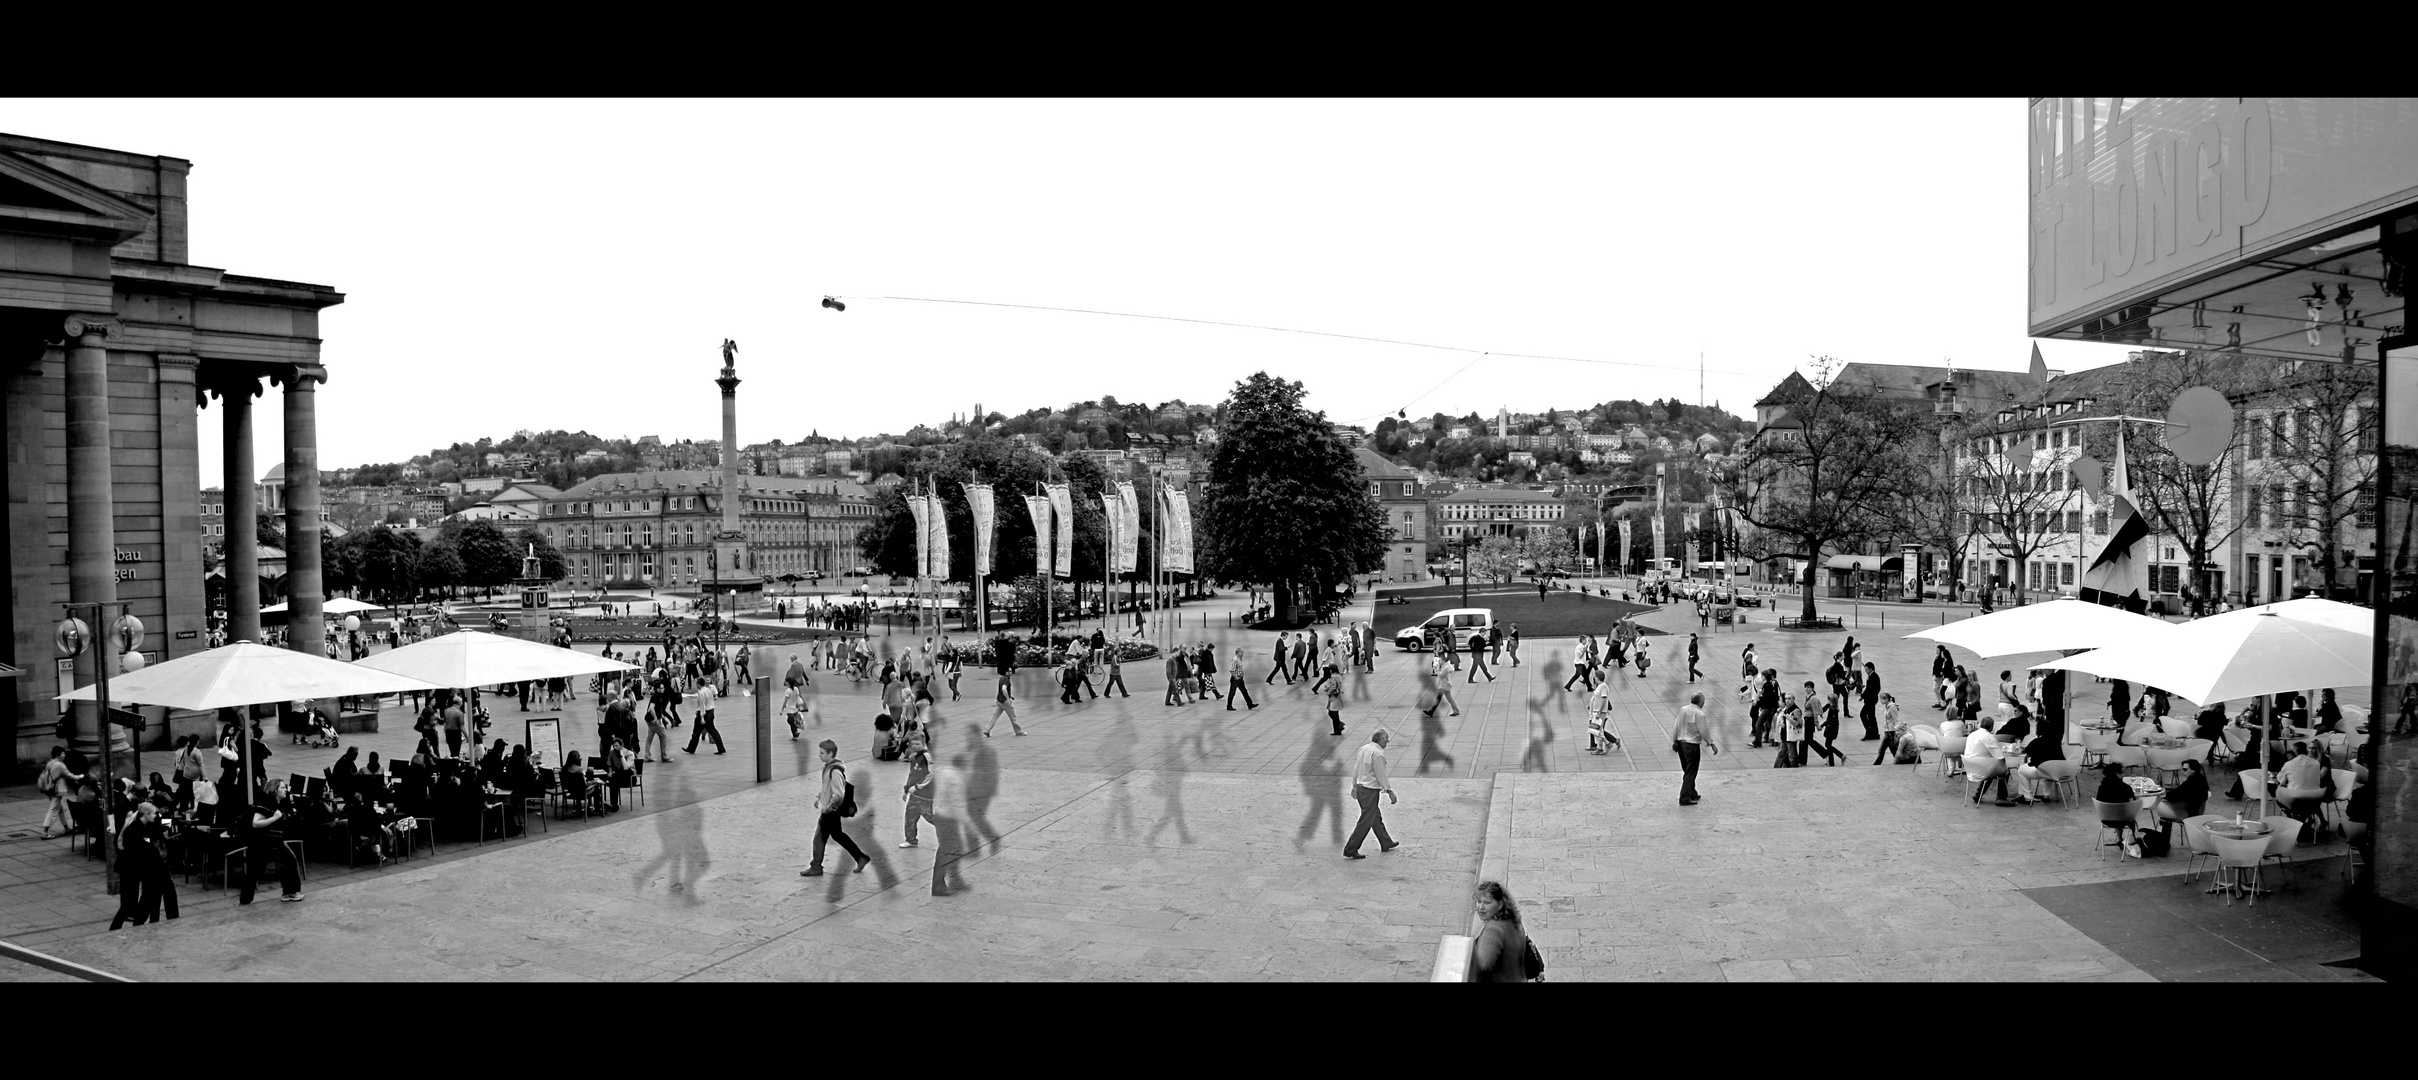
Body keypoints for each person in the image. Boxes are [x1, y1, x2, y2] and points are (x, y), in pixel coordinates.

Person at [801, 739, 871, 877]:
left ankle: (816, 867)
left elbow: (838, 795)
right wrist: (820, 797)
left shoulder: (835, 771)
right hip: (831, 810)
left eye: (822, 753)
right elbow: (829, 789)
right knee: (838, 835)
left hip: (830, 812)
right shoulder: (829, 767)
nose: (819, 755)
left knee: (819, 839)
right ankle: (860, 857)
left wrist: (828, 807)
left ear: (830, 753)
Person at [236, 781, 304, 904]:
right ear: (275, 790)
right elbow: (256, 823)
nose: (285, 790)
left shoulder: (277, 803)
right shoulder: (266, 802)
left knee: (288, 860)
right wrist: (275, 817)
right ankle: (287, 893)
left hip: (273, 840)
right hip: (264, 841)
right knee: (256, 870)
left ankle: (288, 892)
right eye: (282, 788)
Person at [1341, 728, 1399, 859]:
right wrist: (1390, 791)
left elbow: (1356, 768)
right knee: (1366, 821)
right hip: (1370, 791)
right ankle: (1351, 848)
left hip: (1362, 789)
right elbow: (1381, 774)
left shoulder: (1364, 749)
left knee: (1374, 817)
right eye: (1386, 738)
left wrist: (1354, 785)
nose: (1388, 741)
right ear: (1381, 739)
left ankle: (1386, 842)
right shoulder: (1378, 754)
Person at [1468, 880, 1534, 983]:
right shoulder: (1514, 922)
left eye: (1487, 902)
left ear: (1500, 904)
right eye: (1479, 901)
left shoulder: (1494, 929)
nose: (1480, 907)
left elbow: (1482, 965)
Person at [1674, 691, 1718, 805]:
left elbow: (1676, 725)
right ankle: (1684, 797)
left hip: (1680, 743)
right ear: (1701, 701)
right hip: (1691, 745)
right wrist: (1711, 743)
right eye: (1704, 700)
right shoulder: (1699, 714)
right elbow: (1703, 730)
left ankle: (1692, 792)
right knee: (1691, 771)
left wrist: (1674, 740)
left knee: (1687, 769)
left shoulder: (1683, 710)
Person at [37, 745, 71, 840]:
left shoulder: (50, 763)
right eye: (63, 753)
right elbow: (69, 775)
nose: (64, 755)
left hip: (49, 789)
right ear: (58, 755)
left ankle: (67, 828)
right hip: (56, 791)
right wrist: (80, 777)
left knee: (60, 808)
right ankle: (45, 832)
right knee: (53, 810)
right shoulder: (59, 765)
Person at [682, 682, 725, 755]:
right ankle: (721, 748)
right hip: (710, 711)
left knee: (696, 732)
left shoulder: (701, 692)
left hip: (704, 713)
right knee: (713, 731)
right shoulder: (708, 690)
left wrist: (701, 717)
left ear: (699, 684)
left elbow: (702, 705)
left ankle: (691, 748)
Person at [985, 673, 1026, 738]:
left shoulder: (1001, 678)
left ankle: (987, 730)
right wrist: (1008, 698)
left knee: (995, 716)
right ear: (1006, 672)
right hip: (1005, 701)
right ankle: (1018, 731)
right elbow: (1004, 689)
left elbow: (1002, 690)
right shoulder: (1006, 680)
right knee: (1013, 717)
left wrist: (1010, 696)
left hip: (999, 700)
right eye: (1009, 671)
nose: (1011, 672)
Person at [1427, 650, 1462, 717]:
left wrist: (1436, 669)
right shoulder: (1445, 666)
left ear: (1443, 661)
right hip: (1445, 685)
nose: (1439, 662)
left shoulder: (1446, 667)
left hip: (1443, 686)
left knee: (1438, 698)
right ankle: (1456, 710)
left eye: (1440, 661)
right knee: (1449, 698)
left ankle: (1431, 711)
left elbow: (1440, 675)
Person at [1226, 645, 1258, 711]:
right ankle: (1229, 706)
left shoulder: (1239, 659)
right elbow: (1231, 670)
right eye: (1242, 652)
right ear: (1238, 652)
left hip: (1240, 678)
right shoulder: (1235, 660)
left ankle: (1250, 704)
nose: (1243, 653)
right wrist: (1235, 676)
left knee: (1244, 691)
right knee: (1232, 692)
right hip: (1236, 679)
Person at [1859, 662, 1883, 740]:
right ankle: (1874, 733)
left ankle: (1869, 732)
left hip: (1870, 700)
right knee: (1871, 716)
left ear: (1871, 669)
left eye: (1866, 669)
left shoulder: (1873, 677)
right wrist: (1863, 696)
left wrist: (1863, 696)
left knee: (1863, 714)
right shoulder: (1871, 676)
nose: (1865, 671)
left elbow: (1870, 689)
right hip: (1870, 699)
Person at [1930, 645, 1955, 710]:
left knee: (1937, 689)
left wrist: (1939, 674)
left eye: (1938, 650)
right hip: (1941, 676)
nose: (1936, 652)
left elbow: (1943, 669)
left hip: (1943, 677)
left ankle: (1943, 702)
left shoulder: (1943, 660)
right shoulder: (1940, 658)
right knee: (1939, 689)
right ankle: (1939, 702)